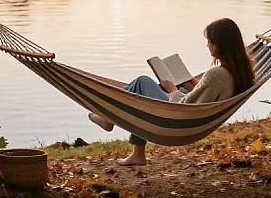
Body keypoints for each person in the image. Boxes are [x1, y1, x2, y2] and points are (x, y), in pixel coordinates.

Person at [88, 18, 255, 166]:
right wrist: (195, 86)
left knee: (142, 83)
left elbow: (184, 105)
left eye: (210, 41)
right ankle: (135, 151)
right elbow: (212, 96)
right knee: (145, 93)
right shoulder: (240, 71)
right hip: (195, 119)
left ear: (221, 44)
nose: (207, 45)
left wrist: (172, 88)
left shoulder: (216, 74)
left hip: (180, 119)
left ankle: (108, 118)